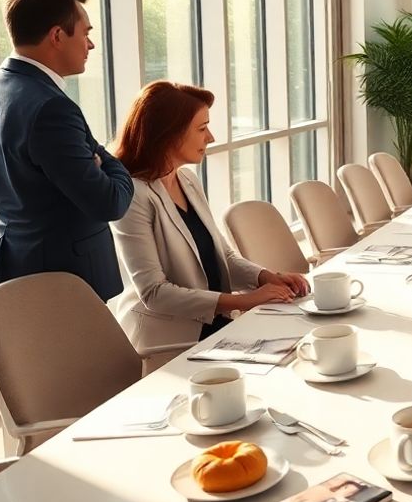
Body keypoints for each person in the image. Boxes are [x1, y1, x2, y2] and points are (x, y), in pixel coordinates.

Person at [0, 0, 134, 302]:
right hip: (61, 280)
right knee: (80, 356)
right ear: (57, 36)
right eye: (86, 33)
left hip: (7, 265)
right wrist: (106, 158)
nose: (90, 45)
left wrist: (95, 156)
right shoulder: (52, 107)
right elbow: (110, 201)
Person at [108, 82, 309, 355]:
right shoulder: (134, 195)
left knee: (306, 339)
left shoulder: (187, 180)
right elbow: (155, 292)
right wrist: (244, 301)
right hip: (170, 343)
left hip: (217, 328)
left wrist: (267, 278)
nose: (210, 137)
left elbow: (223, 256)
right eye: (201, 129)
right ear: (169, 134)